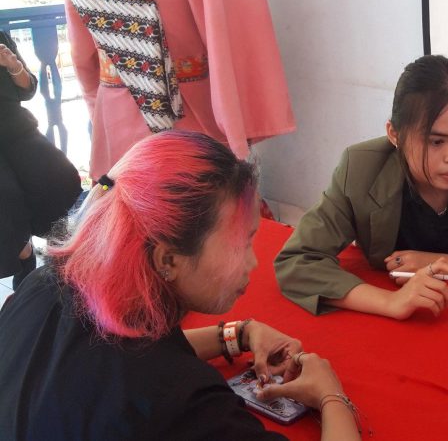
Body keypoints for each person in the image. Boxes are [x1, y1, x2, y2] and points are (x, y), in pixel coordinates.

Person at [0, 131, 359, 440]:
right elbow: (147, 375)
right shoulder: (185, 404)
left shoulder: (47, 282)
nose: (253, 262)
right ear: (168, 260)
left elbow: (125, 353)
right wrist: (331, 396)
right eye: (242, 243)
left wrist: (237, 335)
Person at [275, 55, 448, 318]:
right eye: (436, 142)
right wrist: (390, 301)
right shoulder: (361, 168)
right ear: (395, 134)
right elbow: (299, 260)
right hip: (402, 319)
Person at [64, 0, 296, 180]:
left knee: (127, 205)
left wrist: (98, 112)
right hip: (191, 112)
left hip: (117, 117)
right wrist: (235, 122)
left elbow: (83, 59)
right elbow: (225, 33)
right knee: (204, 203)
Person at [0, 29, 81, 289]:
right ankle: (23, 259)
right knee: (6, 197)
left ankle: (60, 251)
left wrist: (13, 65)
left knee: (57, 175)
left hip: (16, 129)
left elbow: (27, 90)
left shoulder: (1, 37)